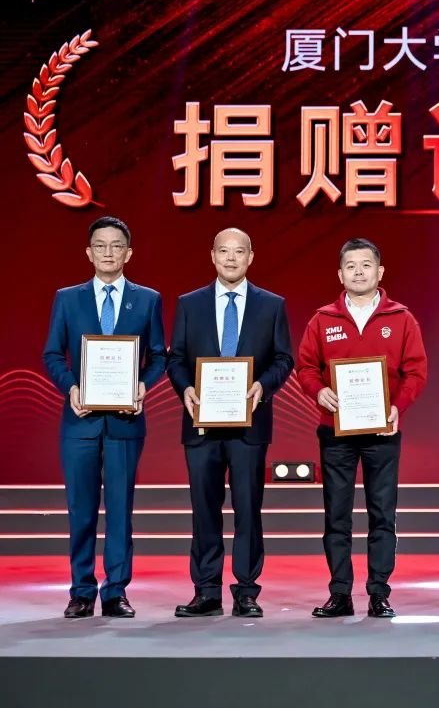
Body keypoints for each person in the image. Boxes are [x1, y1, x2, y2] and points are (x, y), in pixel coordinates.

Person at [43, 216, 167, 618]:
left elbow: (159, 356)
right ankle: (81, 590)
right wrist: (71, 388)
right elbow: (52, 354)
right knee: (80, 510)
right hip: (79, 421)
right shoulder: (68, 299)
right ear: (89, 252)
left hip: (125, 423)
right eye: (100, 245)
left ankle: (116, 591)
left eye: (116, 246)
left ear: (128, 253)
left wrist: (143, 385)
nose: (108, 253)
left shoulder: (147, 299)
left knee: (119, 509)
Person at [297, 238, 428, 619]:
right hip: (335, 432)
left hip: (382, 432)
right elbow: (306, 367)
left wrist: (397, 407)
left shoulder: (401, 318)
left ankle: (379, 593)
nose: (358, 272)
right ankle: (340, 593)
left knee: (382, 514)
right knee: (336, 515)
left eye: (366, 265)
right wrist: (318, 391)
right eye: (351, 266)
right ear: (340, 274)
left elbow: (416, 371)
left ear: (380, 272)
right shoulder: (322, 320)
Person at [167, 228, 294, 618]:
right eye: (224, 251)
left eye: (239, 252)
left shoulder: (271, 305)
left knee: (248, 509)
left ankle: (246, 591)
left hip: (249, 425)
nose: (231, 258)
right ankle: (206, 591)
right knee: (204, 509)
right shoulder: (190, 304)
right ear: (213, 256)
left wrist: (262, 386)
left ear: (250, 257)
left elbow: (284, 359)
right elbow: (176, 359)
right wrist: (186, 388)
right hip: (201, 424)